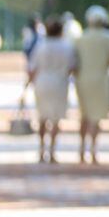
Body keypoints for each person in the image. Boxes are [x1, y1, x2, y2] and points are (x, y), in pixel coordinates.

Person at [74, 5, 109, 165]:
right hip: (101, 80)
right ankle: (93, 150)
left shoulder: (81, 38)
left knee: (85, 115)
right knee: (96, 117)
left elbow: (75, 60)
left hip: (83, 80)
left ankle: (82, 149)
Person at [28, 17, 76, 163]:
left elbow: (32, 68)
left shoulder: (41, 45)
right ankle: (52, 151)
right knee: (56, 119)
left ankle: (42, 150)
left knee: (42, 118)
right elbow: (72, 67)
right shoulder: (66, 46)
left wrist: (29, 83)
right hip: (59, 84)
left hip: (42, 83)